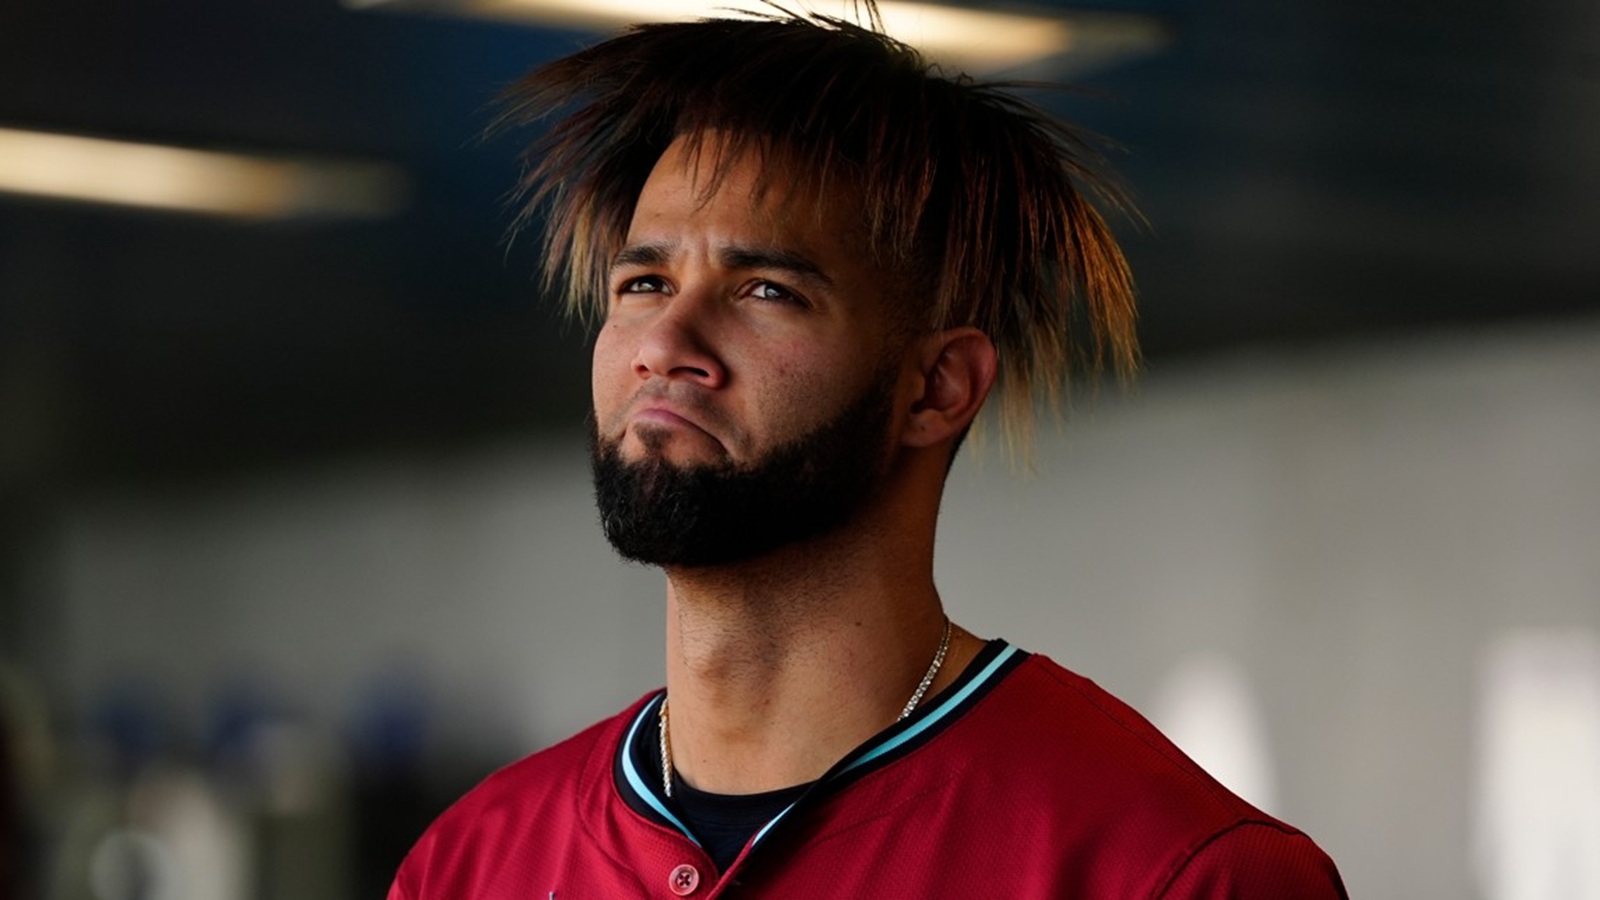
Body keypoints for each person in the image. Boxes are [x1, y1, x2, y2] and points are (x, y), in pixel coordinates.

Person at [391, 5, 1348, 897]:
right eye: (643, 281)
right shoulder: (471, 863)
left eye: (767, 289)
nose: (665, 344)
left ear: (936, 388)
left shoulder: (1169, 871)